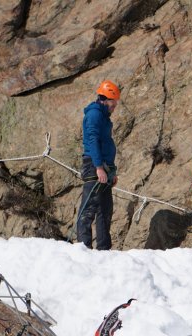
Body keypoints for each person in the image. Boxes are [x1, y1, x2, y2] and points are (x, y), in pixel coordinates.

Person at [76, 80, 121, 250]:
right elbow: (93, 140)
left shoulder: (103, 116)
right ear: (105, 99)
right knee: (89, 208)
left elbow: (105, 144)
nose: (115, 106)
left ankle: (104, 249)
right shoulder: (94, 114)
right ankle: (83, 247)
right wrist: (99, 167)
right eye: (113, 102)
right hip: (94, 165)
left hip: (104, 166)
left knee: (105, 209)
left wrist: (111, 171)